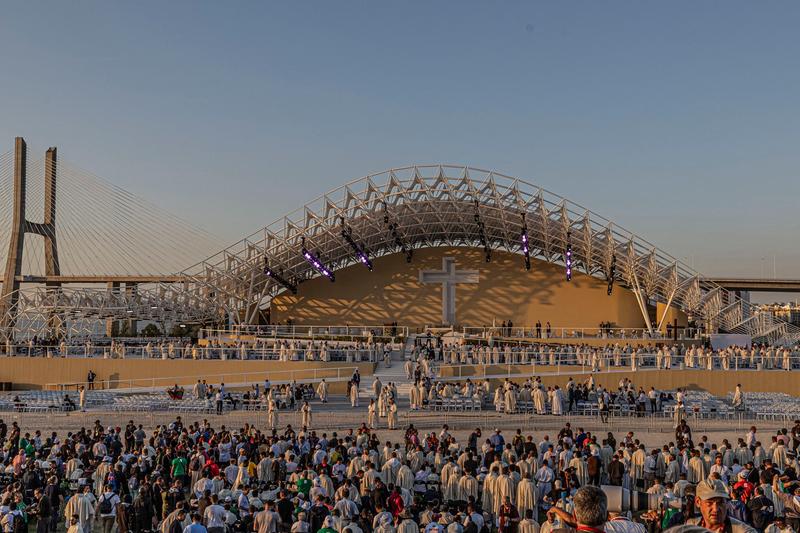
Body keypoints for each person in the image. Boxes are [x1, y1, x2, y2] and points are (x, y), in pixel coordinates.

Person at [687, 479, 757, 533]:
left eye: (721, 503)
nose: (715, 509)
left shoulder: (745, 531)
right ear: (698, 502)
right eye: (709, 503)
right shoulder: (690, 527)